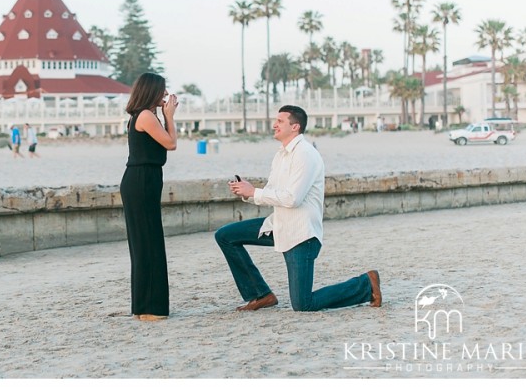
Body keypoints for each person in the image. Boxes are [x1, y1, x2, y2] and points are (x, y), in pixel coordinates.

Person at [216, 105, 381, 312]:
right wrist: (247, 193)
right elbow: (272, 193)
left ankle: (366, 284)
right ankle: (260, 294)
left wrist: (254, 192)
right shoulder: (281, 154)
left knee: (303, 304)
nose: (274, 125)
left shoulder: (305, 154)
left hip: (301, 234)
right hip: (279, 226)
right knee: (225, 236)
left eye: (280, 121)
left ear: (295, 127)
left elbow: (293, 198)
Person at [120, 72, 179, 322]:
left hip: (142, 179)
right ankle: (151, 308)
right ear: (151, 91)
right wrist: (170, 117)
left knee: (144, 242)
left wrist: (164, 116)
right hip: (142, 180)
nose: (165, 95)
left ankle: (144, 306)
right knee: (149, 242)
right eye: (162, 91)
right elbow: (171, 143)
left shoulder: (142, 115)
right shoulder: (145, 115)